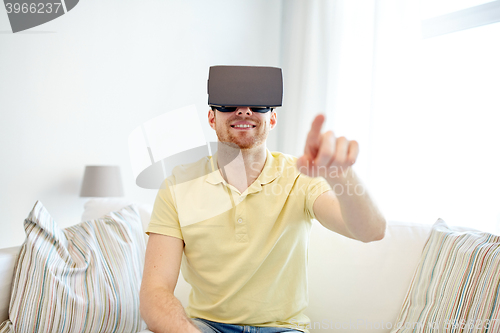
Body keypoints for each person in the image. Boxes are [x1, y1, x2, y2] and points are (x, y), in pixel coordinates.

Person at [139, 66, 386, 333]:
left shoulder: (300, 177)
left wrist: (341, 175)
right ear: (211, 118)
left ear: (273, 118)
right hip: (205, 328)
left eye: (258, 105)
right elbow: (155, 292)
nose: (244, 111)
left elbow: (371, 231)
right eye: (228, 103)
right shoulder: (177, 185)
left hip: (283, 329)